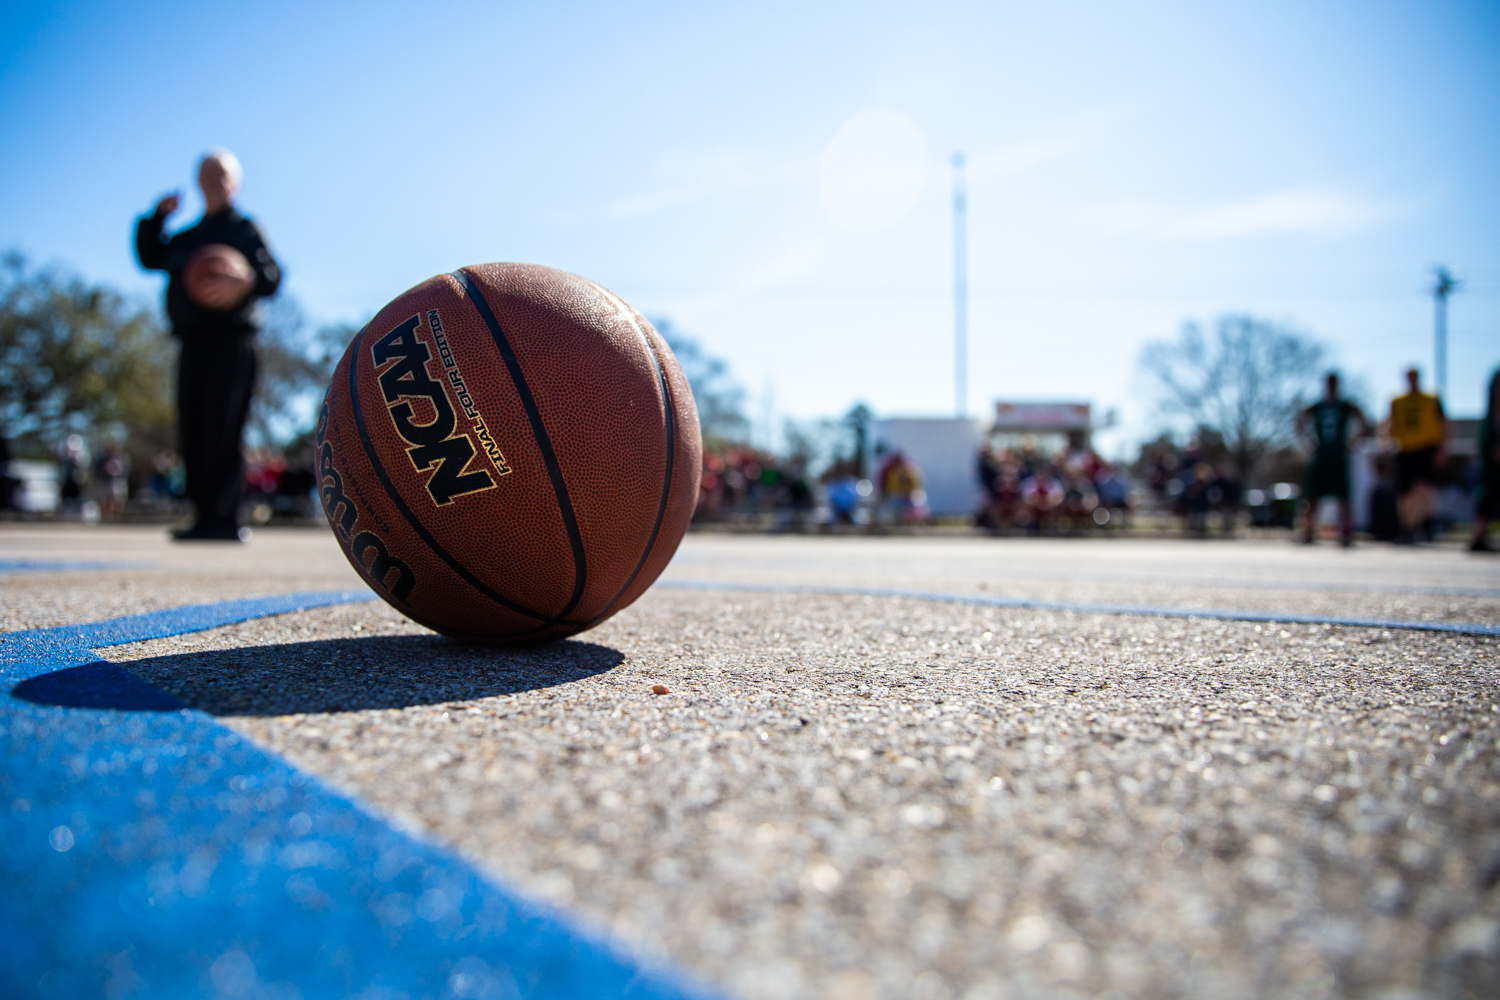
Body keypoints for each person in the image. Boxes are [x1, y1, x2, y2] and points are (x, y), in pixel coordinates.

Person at [135, 150, 280, 540]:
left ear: (236, 183)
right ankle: (202, 517)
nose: (216, 182)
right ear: (199, 182)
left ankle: (226, 518)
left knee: (226, 427)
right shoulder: (190, 236)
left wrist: (246, 279)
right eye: (208, 175)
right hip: (192, 341)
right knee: (193, 427)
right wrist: (156, 218)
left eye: (223, 175)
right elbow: (150, 257)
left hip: (233, 342)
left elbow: (272, 276)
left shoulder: (246, 230)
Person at [1297, 372, 1369, 546]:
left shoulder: (1345, 406)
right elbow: (1299, 421)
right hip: (1321, 454)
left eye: (1334, 383)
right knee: (1312, 495)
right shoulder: (1317, 406)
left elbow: (1365, 424)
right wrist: (1307, 442)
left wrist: (1354, 442)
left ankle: (1346, 531)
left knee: (1343, 496)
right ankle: (1307, 530)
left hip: (1338, 455)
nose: (1331, 386)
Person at [1388, 367, 1446, 543]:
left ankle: (1427, 524)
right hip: (1405, 449)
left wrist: (1443, 448)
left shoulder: (1431, 400)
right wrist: (1385, 442)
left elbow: (1443, 423)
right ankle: (1408, 527)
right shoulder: (1397, 401)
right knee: (1403, 493)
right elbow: (1390, 423)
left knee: (1424, 488)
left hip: (1426, 448)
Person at [1471, 367, 1500, 553]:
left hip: (1491, 436)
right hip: (1495, 439)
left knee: (1488, 488)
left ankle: (1479, 535)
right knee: (1489, 488)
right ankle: (1479, 535)